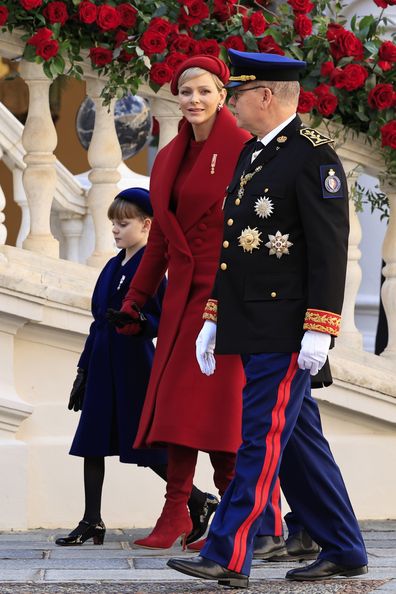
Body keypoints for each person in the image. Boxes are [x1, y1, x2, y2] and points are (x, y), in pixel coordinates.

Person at [167, 49, 368, 586]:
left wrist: (320, 328)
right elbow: (238, 250)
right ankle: (345, 548)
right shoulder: (255, 155)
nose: (229, 105)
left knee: (259, 437)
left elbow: (329, 250)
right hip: (254, 323)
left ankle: (228, 553)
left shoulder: (312, 156)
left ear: (265, 96)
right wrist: (214, 316)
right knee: (299, 443)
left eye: (235, 95)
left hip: (286, 329)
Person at [108, 56, 251, 550]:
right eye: (186, 91)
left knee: (217, 408)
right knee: (178, 408)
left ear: (222, 95)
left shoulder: (244, 149)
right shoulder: (167, 156)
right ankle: (177, 514)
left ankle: (240, 517)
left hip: (227, 295)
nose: (193, 100)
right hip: (181, 301)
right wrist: (135, 300)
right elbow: (164, 242)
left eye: (204, 91)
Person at [55, 188, 210, 546]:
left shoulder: (151, 267)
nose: (114, 230)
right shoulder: (112, 266)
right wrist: (83, 371)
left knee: (147, 448)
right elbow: (97, 323)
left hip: (134, 366)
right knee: (90, 441)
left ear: (147, 225)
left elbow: (161, 320)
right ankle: (91, 520)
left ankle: (199, 501)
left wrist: (139, 322)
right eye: (113, 223)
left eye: (123, 223)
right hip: (102, 363)